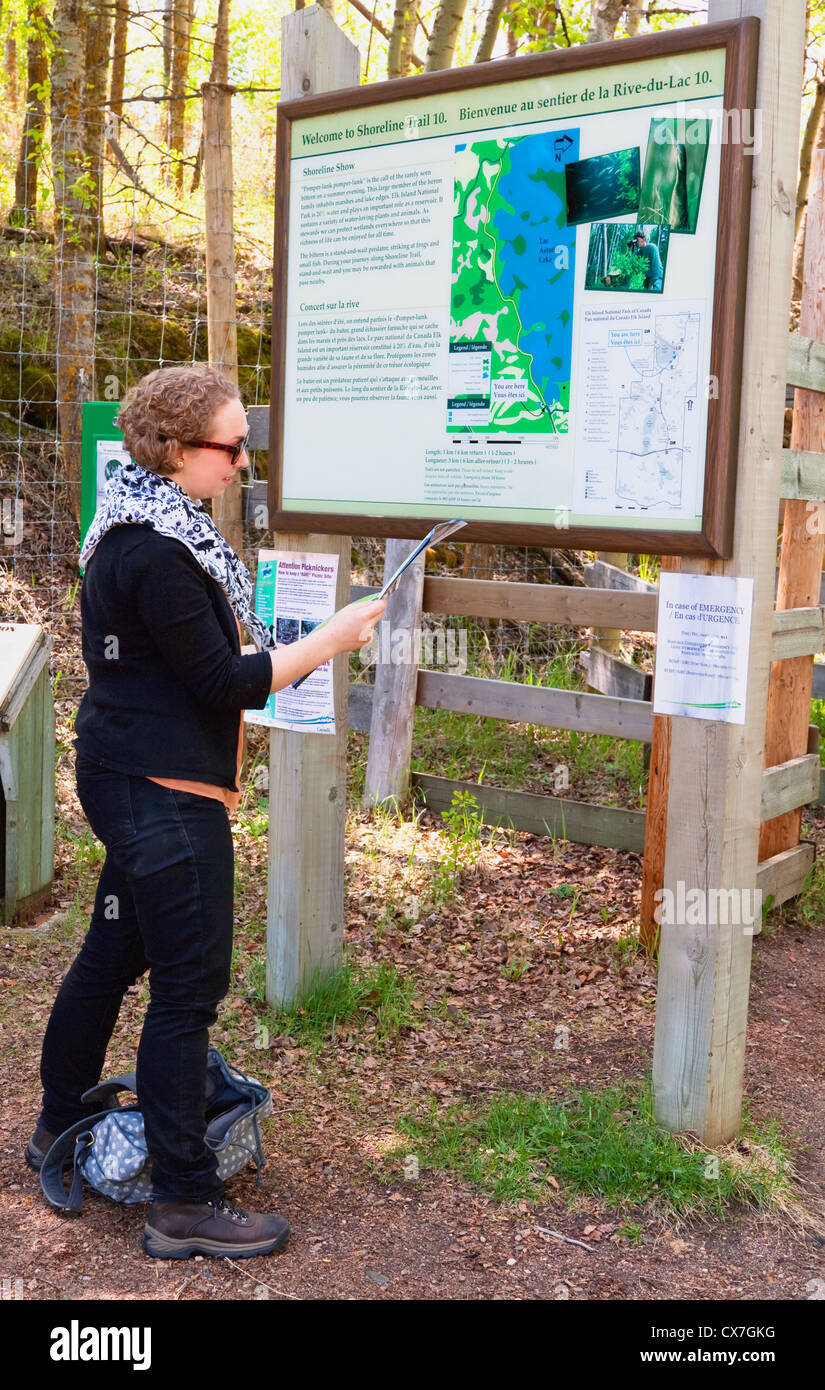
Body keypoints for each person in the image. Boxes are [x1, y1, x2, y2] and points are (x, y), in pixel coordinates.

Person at [26, 364, 386, 1260]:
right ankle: (183, 1202)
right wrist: (329, 643)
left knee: (112, 953)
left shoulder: (137, 523)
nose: (239, 466)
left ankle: (56, 1126)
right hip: (163, 796)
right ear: (178, 450)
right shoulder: (155, 551)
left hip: (130, 774)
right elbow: (226, 681)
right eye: (230, 450)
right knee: (188, 992)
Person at [627, 228, 664, 292]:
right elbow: (628, 262)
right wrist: (630, 249)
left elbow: (656, 268)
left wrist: (651, 284)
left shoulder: (651, 247)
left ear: (644, 239)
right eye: (635, 240)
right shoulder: (638, 252)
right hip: (648, 281)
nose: (636, 242)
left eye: (637, 239)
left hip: (657, 279)